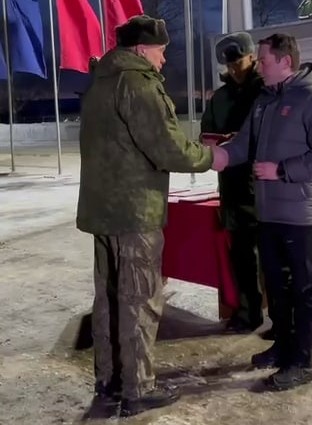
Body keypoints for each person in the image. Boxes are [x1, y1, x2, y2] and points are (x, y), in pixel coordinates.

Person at [76, 15, 220, 417]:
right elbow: (166, 147)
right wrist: (211, 157)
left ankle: (109, 382)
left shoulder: (100, 82)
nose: (163, 60)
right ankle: (138, 388)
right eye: (160, 51)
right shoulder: (138, 84)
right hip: (134, 212)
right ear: (141, 49)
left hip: (102, 210)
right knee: (139, 301)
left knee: (109, 300)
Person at [213, 33, 312, 390]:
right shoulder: (266, 100)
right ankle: (283, 346)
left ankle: (304, 360)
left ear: (285, 61)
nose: (259, 66)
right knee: (276, 285)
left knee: (304, 287)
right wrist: (218, 155)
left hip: (300, 213)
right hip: (268, 211)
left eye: (264, 60)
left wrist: (282, 170)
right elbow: (244, 143)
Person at [201, 32, 265, 333]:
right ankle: (247, 313)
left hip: (264, 186)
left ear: (252, 57)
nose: (235, 69)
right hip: (231, 185)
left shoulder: (266, 91)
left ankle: (281, 319)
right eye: (229, 65)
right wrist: (213, 142)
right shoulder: (220, 98)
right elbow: (206, 132)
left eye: (239, 62)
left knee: (272, 258)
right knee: (241, 255)